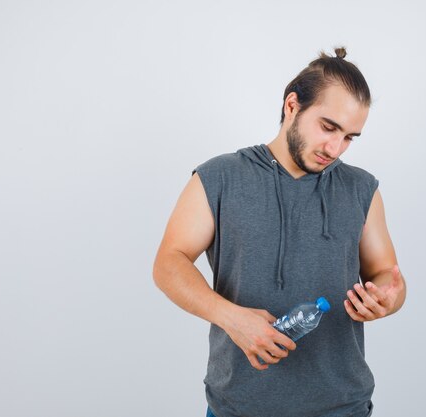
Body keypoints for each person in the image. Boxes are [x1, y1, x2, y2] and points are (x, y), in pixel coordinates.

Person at [153, 47, 406, 417]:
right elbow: (168, 263)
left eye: (350, 137)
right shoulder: (220, 177)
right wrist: (231, 317)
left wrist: (386, 300)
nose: (335, 148)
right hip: (238, 406)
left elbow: (388, 274)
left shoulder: (361, 188)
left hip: (342, 407)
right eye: (328, 127)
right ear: (292, 106)